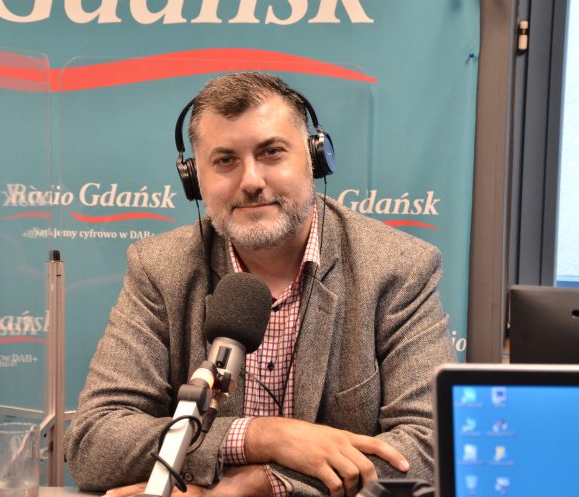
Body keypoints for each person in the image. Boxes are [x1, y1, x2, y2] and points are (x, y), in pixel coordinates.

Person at [64, 72, 457, 497]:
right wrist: (262, 436)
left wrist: (260, 482)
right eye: (225, 160)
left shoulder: (397, 268)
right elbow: (94, 442)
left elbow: (430, 446)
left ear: (315, 159)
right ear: (194, 179)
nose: (251, 181)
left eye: (272, 152)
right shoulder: (161, 269)